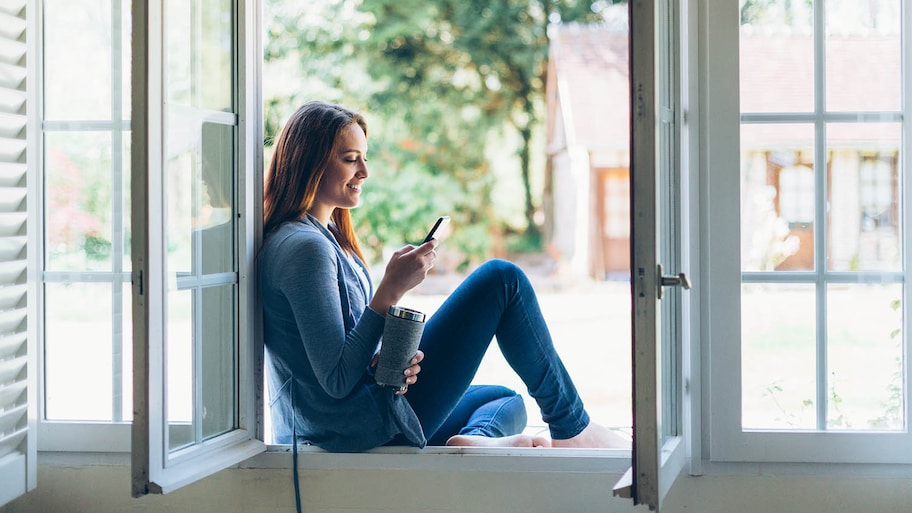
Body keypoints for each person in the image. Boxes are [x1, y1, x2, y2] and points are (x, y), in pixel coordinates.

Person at [259, 100, 628, 453]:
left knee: (504, 400)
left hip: (358, 412)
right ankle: (572, 428)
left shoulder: (321, 238)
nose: (365, 173)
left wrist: (384, 359)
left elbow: (337, 356)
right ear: (310, 163)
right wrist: (390, 290)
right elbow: (337, 380)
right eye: (350, 159)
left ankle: (472, 441)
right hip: (356, 427)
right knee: (502, 279)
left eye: (364, 159)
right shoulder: (305, 249)